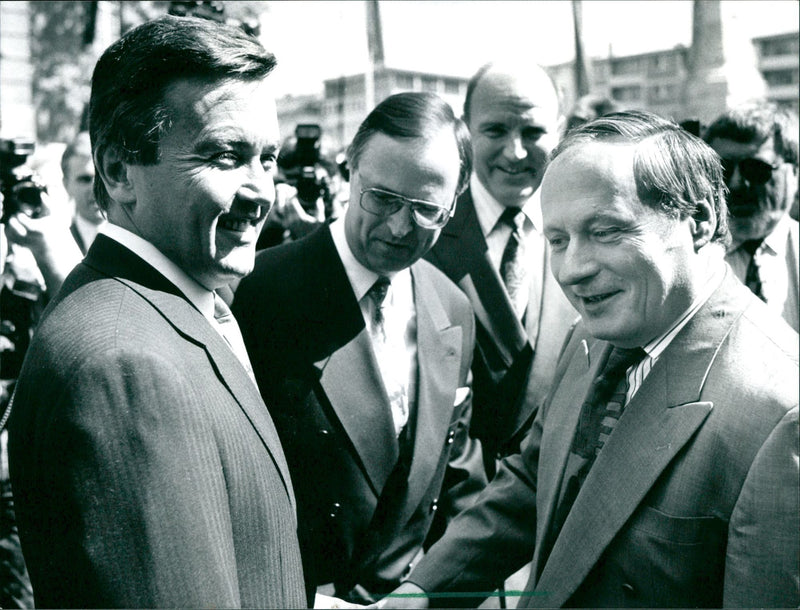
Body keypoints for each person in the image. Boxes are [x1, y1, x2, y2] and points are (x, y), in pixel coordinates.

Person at [379, 110, 799, 608]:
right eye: (557, 241)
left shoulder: (780, 413)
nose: (573, 270)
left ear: (700, 220)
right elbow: (536, 482)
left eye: (606, 231)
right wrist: (419, 593)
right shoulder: (596, 331)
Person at [7, 16, 306, 608]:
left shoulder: (167, 316)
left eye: (268, 159)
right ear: (119, 172)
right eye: (226, 155)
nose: (260, 191)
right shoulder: (124, 367)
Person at [233, 92, 486, 606]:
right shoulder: (261, 291)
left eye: (425, 210)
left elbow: (458, 478)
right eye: (382, 198)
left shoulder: (452, 308)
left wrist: (428, 591)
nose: (398, 227)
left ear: (454, 206)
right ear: (348, 170)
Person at [424, 61, 576, 479]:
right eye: (495, 131)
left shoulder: (591, 231)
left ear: (560, 131)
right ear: (465, 129)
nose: (516, 152)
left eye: (533, 132)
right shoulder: (425, 233)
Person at [703, 102, 798, 331]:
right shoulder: (686, 258)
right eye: (722, 170)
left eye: (755, 169)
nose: (736, 184)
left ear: (795, 173)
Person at [61, 131, 105, 254]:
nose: (96, 188)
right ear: (66, 185)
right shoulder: (59, 246)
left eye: (101, 177)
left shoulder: (136, 242)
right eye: (85, 179)